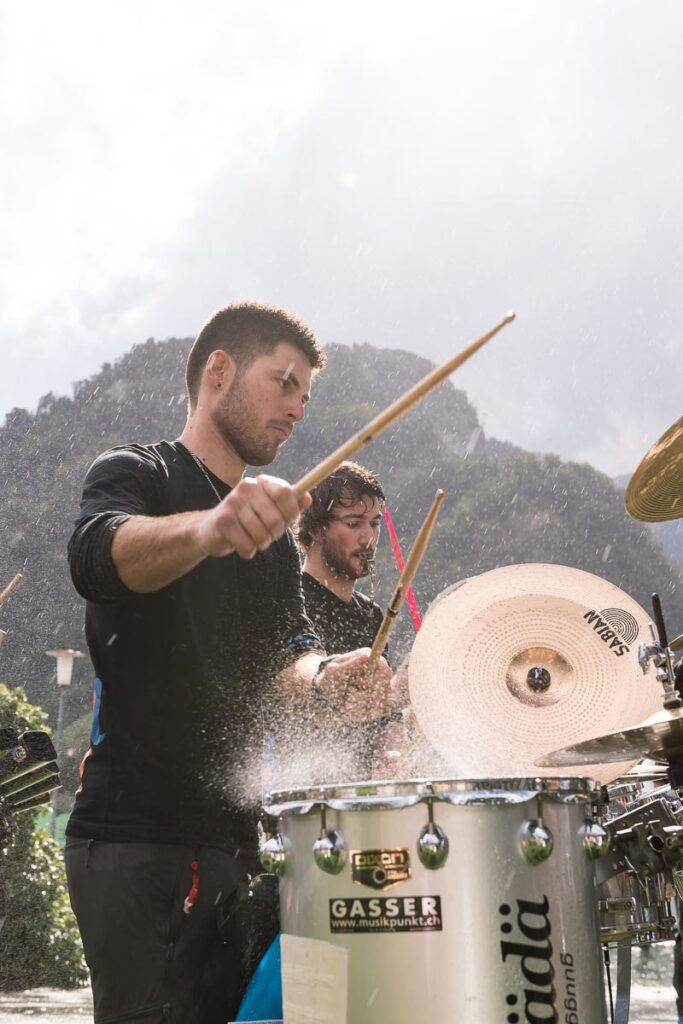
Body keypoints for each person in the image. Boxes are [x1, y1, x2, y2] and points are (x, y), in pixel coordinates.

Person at [64, 302, 392, 1024]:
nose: (297, 407)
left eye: (305, 394)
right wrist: (210, 528)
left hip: (230, 845)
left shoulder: (276, 547)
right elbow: (97, 556)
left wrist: (329, 677)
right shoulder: (136, 472)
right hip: (132, 838)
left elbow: (289, 661)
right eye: (283, 383)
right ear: (218, 371)